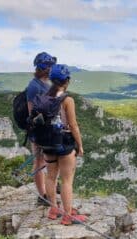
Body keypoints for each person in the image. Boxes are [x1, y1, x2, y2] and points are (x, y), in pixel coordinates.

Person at [43, 64, 86, 225]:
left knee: (51, 176)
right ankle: (68, 216)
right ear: (66, 81)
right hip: (64, 143)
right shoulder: (67, 100)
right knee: (67, 180)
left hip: (47, 143)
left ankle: (54, 209)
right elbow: (73, 125)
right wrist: (79, 145)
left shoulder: (44, 97)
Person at [27, 52, 57, 205]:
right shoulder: (34, 86)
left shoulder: (46, 83)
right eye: (48, 65)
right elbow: (31, 112)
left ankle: (48, 188)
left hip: (46, 128)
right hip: (38, 130)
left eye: (52, 65)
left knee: (45, 160)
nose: (50, 68)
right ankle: (42, 195)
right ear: (41, 67)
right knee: (39, 161)